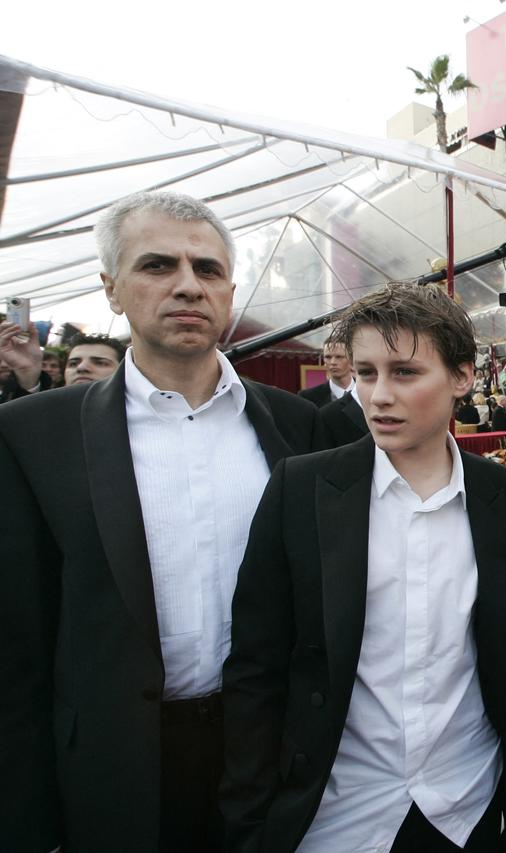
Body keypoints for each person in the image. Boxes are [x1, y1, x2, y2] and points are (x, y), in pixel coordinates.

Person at [0, 191, 323, 853]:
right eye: (157, 266)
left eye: (206, 270)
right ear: (111, 289)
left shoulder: (298, 425)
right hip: (112, 775)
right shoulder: (35, 436)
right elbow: (18, 652)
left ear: (229, 291)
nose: (186, 285)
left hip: (265, 759)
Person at [221, 283, 506, 853]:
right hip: (335, 812)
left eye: (405, 373)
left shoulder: (505, 498)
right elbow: (256, 666)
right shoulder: (301, 490)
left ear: (462, 378)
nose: (379, 395)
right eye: (366, 373)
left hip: (465, 804)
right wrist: (248, 821)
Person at [300, 339, 356, 406]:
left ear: (351, 359)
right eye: (328, 357)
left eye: (339, 357)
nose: (333, 362)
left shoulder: (368, 391)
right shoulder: (307, 397)